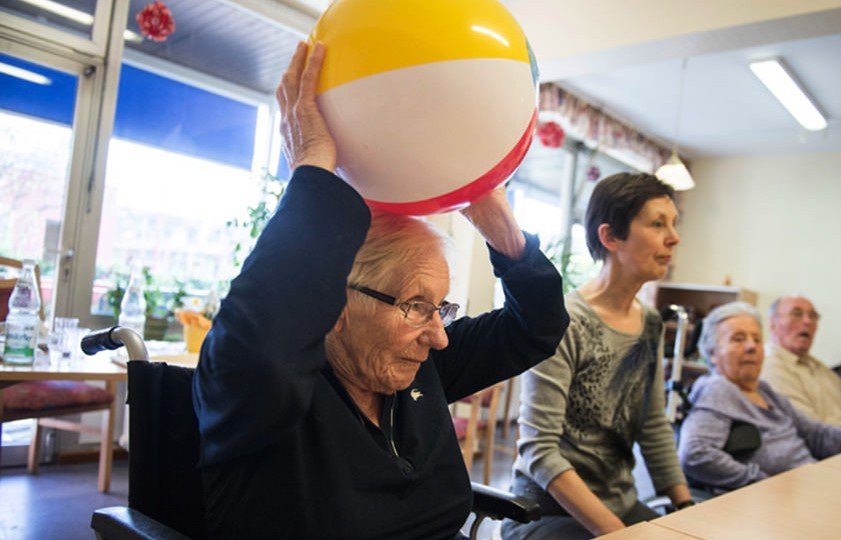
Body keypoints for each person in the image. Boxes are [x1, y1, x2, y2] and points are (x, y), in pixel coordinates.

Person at [192, 42, 569, 539]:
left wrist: (497, 222)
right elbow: (264, 350)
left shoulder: (421, 369)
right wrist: (312, 171)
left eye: (440, 309)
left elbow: (536, 328)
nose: (439, 337)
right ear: (338, 302)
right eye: (416, 306)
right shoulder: (259, 396)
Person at [503, 172, 693, 540]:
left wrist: (687, 508)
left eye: (673, 223)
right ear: (610, 237)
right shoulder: (563, 321)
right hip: (546, 514)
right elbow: (538, 449)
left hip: (618, 507)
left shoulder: (651, 323)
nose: (674, 237)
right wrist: (618, 533)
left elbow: (653, 425)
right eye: (657, 224)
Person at [678, 302, 841, 491]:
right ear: (712, 353)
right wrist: (760, 482)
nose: (751, 346)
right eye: (738, 339)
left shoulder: (764, 391)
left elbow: (816, 433)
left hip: (810, 483)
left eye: (756, 339)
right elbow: (695, 453)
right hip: (778, 500)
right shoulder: (719, 388)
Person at [761, 295, 841, 428]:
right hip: (837, 446)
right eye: (796, 314)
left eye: (813, 316)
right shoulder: (770, 366)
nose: (807, 321)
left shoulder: (821, 369)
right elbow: (811, 431)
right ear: (773, 324)